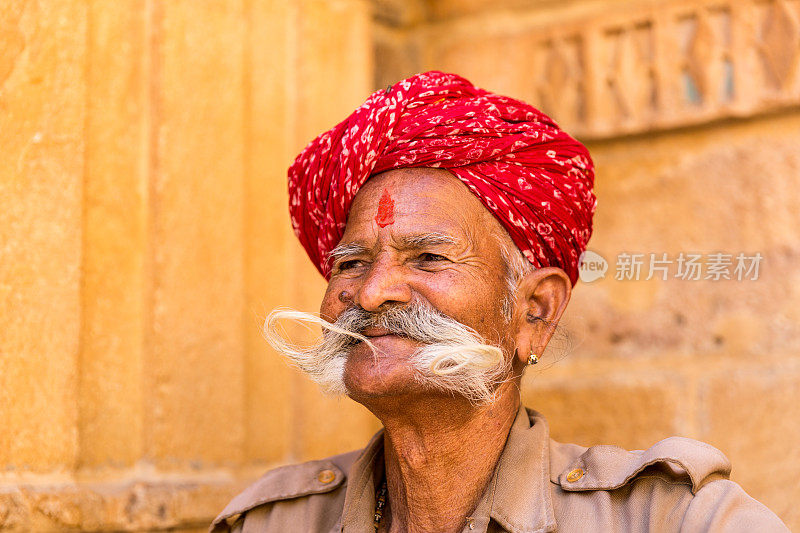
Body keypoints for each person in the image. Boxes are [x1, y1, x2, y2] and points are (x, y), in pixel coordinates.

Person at [211, 72, 788, 532]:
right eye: (351, 262)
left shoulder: (670, 518)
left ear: (535, 311)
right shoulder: (272, 521)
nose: (371, 291)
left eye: (428, 259)